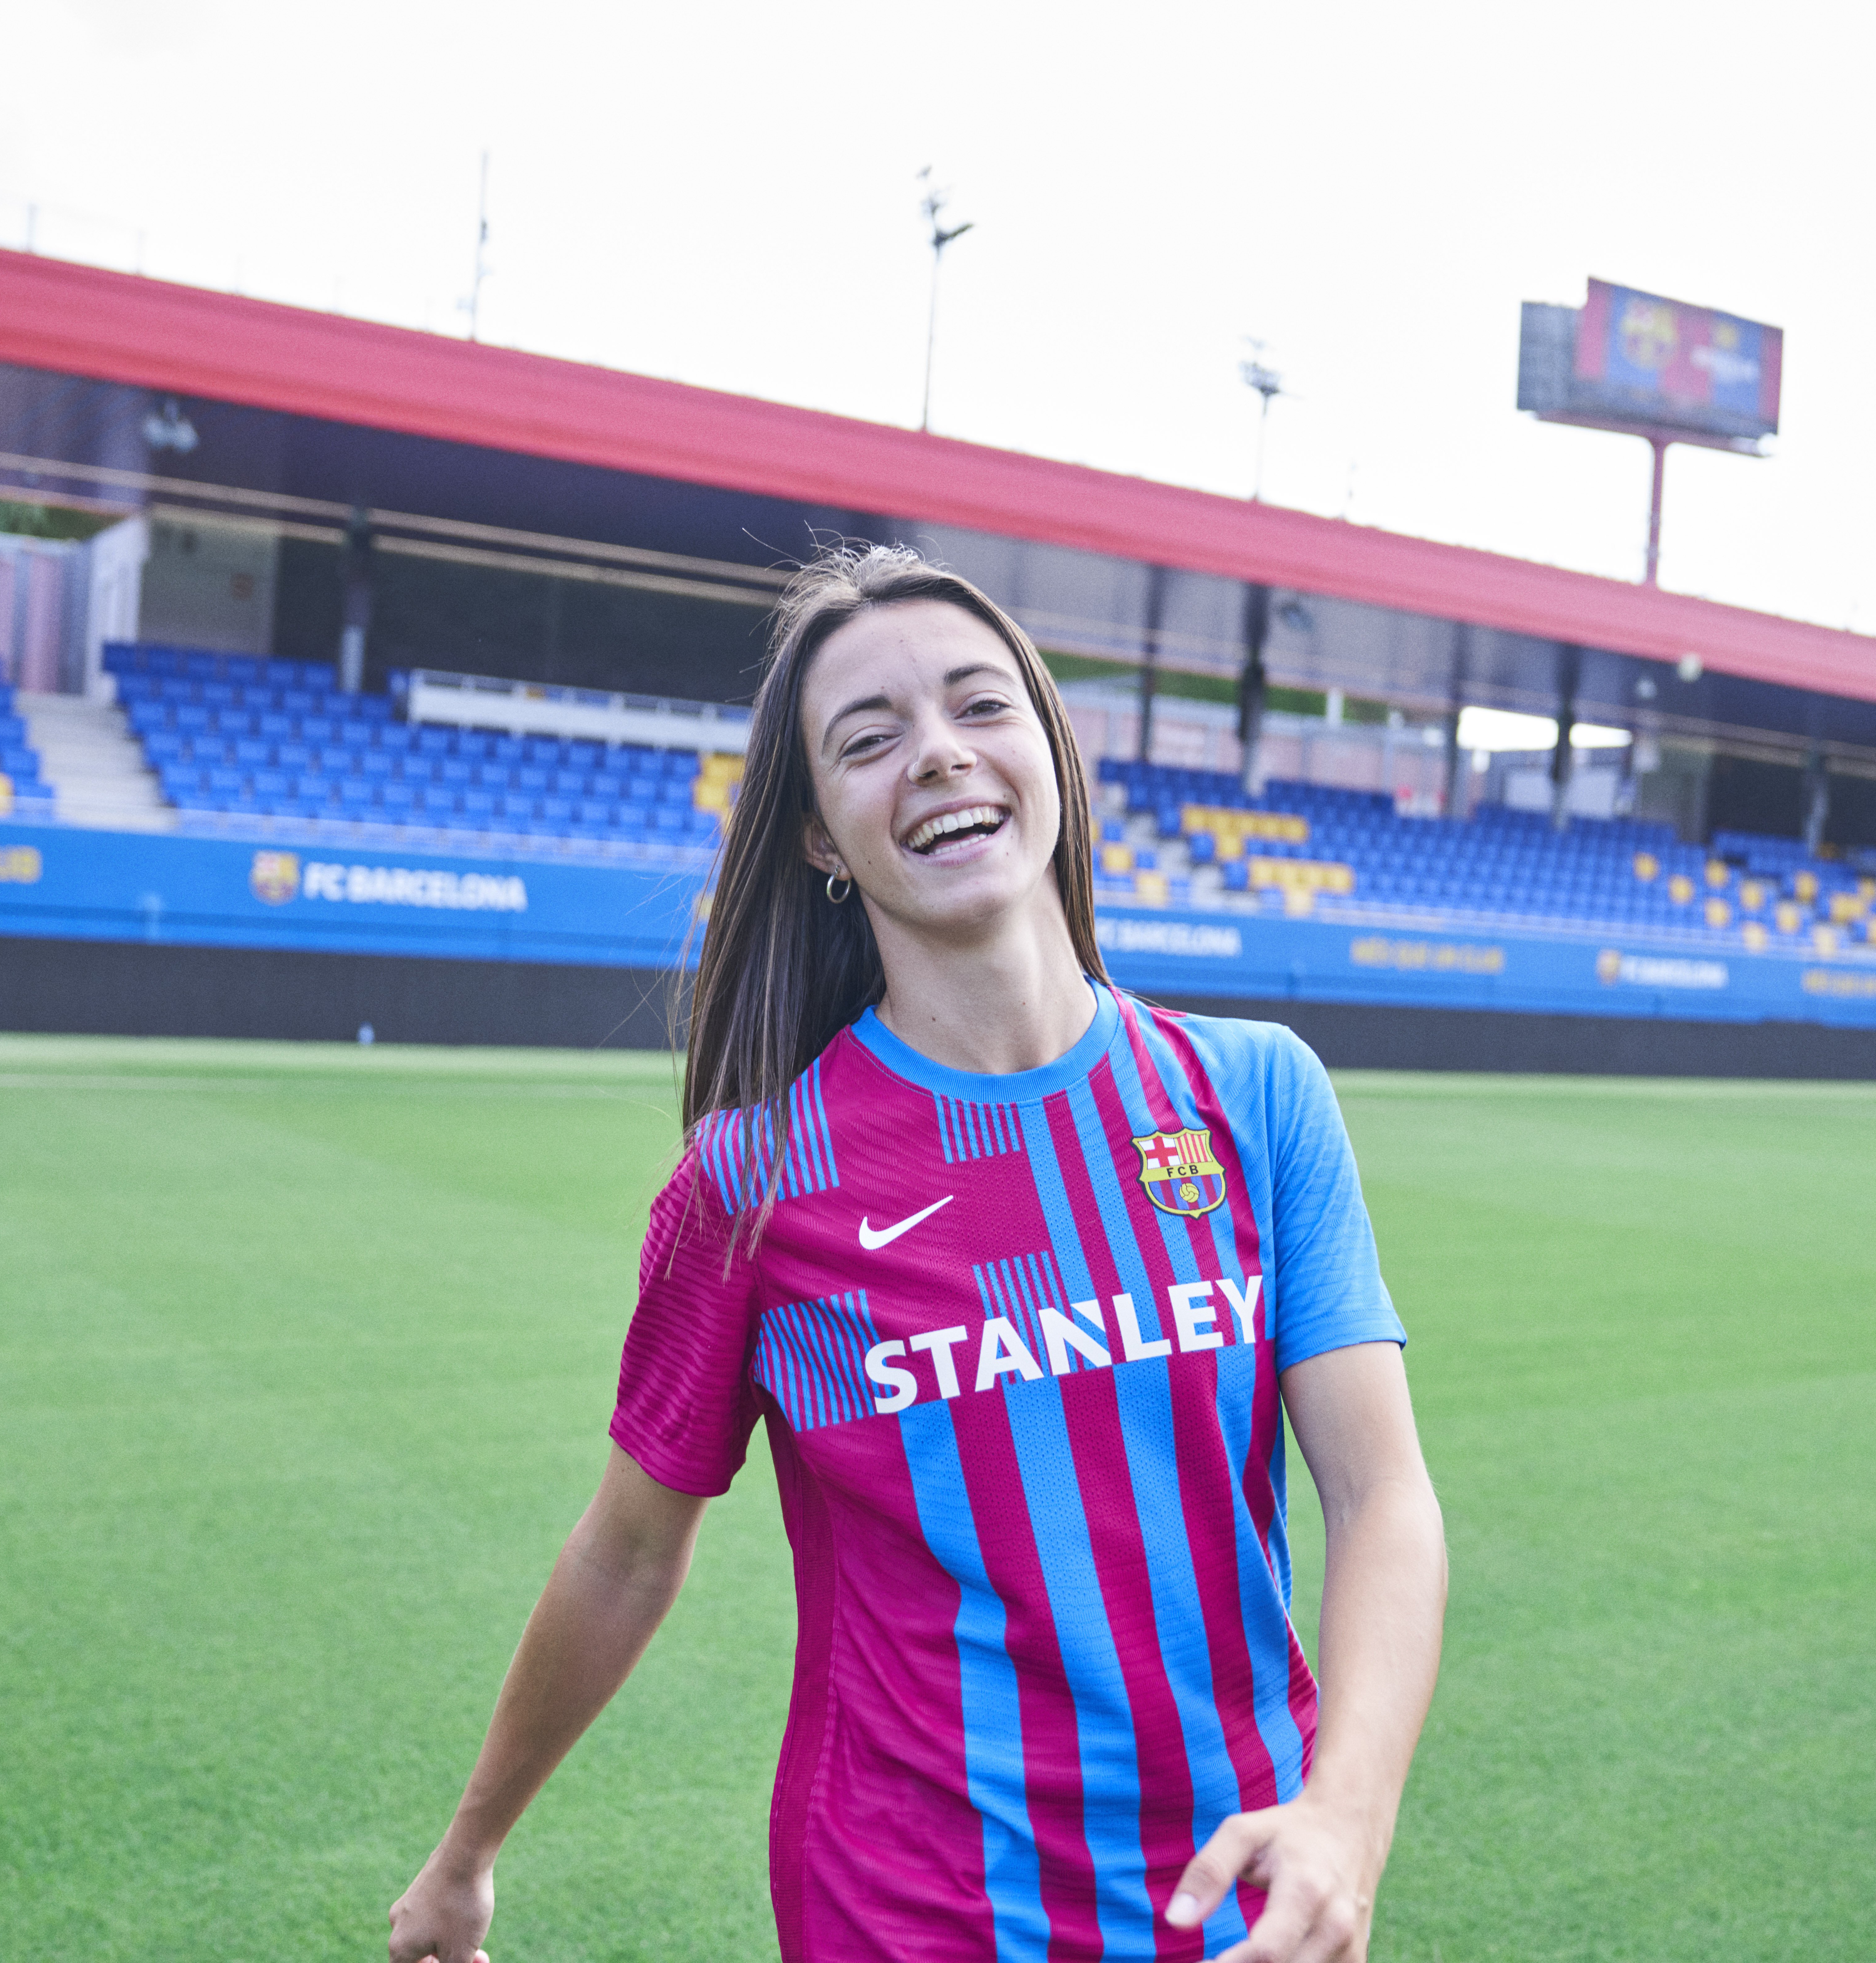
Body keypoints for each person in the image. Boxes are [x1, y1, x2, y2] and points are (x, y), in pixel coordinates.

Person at [390, 545, 1447, 1963]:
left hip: (1248, 1893)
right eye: (871, 740)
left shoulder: (1254, 1094)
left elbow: (1382, 1492)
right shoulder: (755, 1183)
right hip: (913, 1909)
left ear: (1051, 756)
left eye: (978, 706)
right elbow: (629, 1551)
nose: (940, 757)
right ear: (824, 836)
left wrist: (1349, 1818)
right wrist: (469, 1856)